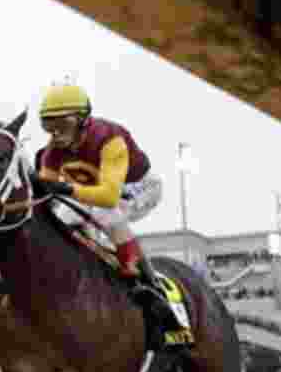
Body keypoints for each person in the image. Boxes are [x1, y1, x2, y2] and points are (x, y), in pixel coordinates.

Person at [32, 83, 185, 347]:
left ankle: (151, 289)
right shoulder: (52, 150)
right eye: (49, 125)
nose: (56, 133)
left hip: (137, 188)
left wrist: (64, 187)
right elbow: (46, 194)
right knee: (61, 219)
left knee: (105, 213)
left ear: (82, 120)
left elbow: (108, 196)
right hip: (95, 189)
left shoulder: (110, 139)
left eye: (63, 125)